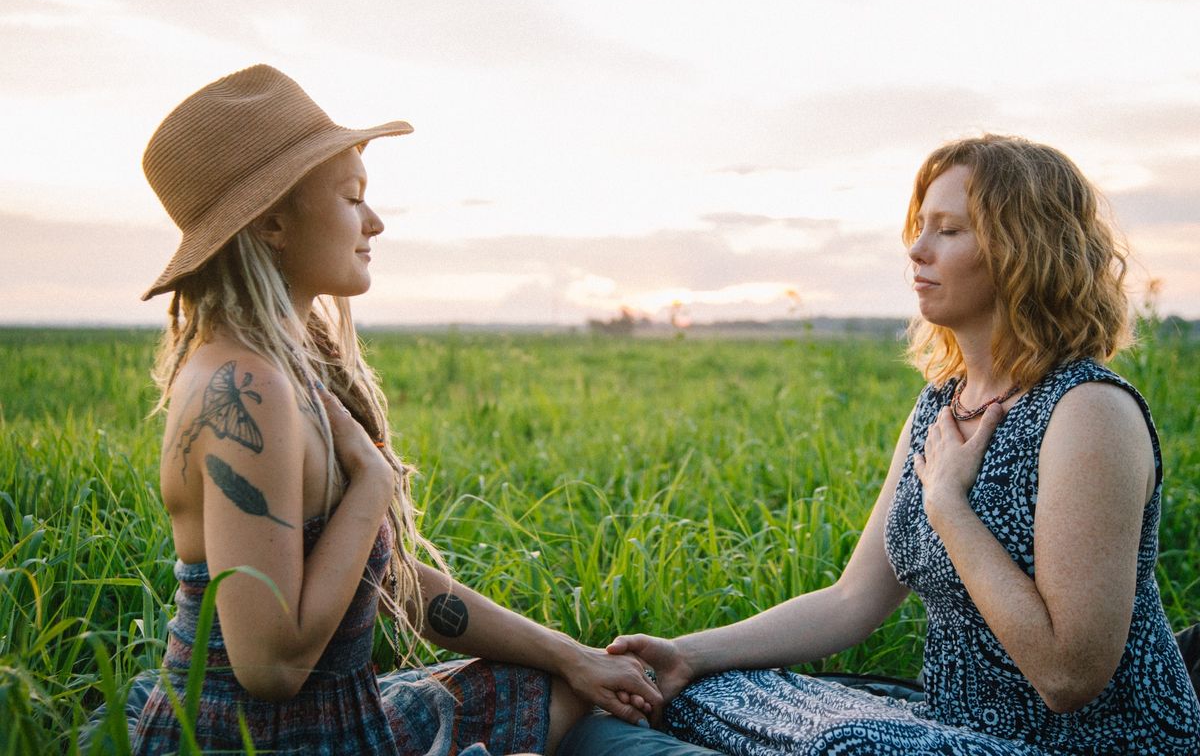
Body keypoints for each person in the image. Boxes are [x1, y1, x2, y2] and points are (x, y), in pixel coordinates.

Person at [602, 135, 1200, 754]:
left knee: (850, 747)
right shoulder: (941, 405)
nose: (916, 250)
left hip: (1094, 745)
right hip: (954, 729)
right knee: (703, 692)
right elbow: (852, 601)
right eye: (920, 227)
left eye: (948, 230)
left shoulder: (1088, 410)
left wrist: (949, 508)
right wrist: (686, 655)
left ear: (1025, 250)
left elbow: (1068, 677)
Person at [125, 64, 659, 755]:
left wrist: (569, 654)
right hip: (261, 741)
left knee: (556, 683)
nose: (374, 221)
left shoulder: (281, 368)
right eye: (352, 198)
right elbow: (271, 667)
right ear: (272, 222)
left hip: (331, 719)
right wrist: (373, 488)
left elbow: (388, 585)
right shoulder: (247, 389)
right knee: (566, 705)